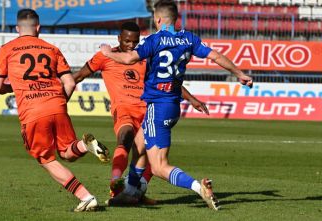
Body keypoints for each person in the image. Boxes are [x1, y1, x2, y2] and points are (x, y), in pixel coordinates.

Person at [100, 0, 253, 210]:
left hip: (157, 106)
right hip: (173, 105)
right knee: (139, 144)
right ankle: (129, 193)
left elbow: (129, 59)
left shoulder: (154, 40)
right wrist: (240, 74)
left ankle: (199, 187)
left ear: (159, 19)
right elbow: (215, 56)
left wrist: (108, 52)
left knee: (159, 166)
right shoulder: (189, 38)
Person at [74, 21, 209, 205]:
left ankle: (135, 193)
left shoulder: (144, 56)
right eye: (127, 41)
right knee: (126, 137)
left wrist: (191, 98)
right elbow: (79, 75)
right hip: (124, 110)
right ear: (119, 38)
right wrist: (61, 90)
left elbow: (166, 80)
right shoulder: (105, 56)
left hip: (149, 110)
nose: (131, 45)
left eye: (135, 42)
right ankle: (115, 181)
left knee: (149, 158)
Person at [0, 9, 110, 212]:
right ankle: (85, 145)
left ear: (17, 28)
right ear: (38, 28)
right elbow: (70, 82)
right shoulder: (51, 48)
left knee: (46, 159)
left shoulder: (7, 49)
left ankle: (86, 196)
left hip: (33, 110)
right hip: (57, 104)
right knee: (67, 152)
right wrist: (59, 102)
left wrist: (13, 88)